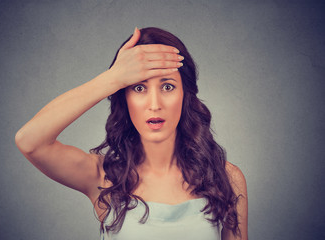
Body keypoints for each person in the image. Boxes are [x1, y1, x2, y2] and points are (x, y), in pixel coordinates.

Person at [15, 27, 248, 240]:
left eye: (167, 86)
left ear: (185, 95)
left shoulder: (226, 178)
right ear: (123, 97)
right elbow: (29, 141)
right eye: (139, 87)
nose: (154, 104)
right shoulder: (103, 178)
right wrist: (112, 78)